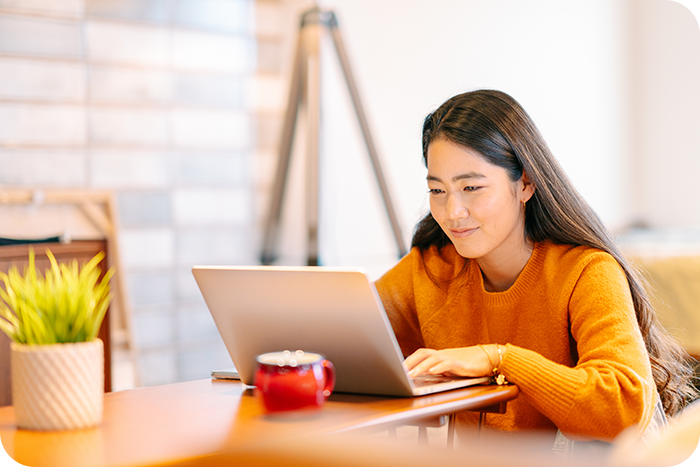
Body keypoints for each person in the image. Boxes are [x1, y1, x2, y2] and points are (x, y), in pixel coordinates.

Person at [374, 90, 696, 452]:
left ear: (525, 183)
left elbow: (623, 407)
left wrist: (500, 358)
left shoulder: (586, 271)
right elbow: (353, 332)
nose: (452, 212)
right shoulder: (431, 268)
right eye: (437, 190)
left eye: (471, 188)